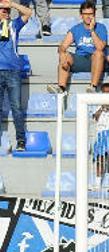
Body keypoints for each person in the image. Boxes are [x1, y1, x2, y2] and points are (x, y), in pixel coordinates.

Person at [47, 1, 108, 94]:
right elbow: (63, 46)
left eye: (90, 14)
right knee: (65, 54)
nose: (88, 16)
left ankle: (93, 87)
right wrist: (62, 53)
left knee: (98, 53)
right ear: (81, 15)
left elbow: (100, 47)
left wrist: (92, 30)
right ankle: (61, 88)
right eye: (85, 14)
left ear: (94, 14)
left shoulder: (101, 27)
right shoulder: (76, 29)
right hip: (80, 60)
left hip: (96, 61)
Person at [0, 1, 31, 152]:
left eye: (7, 10)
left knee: (17, 108)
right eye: (2, 9)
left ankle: (21, 141)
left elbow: (28, 13)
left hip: (13, 71)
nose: (5, 11)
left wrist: (12, 3)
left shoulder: (13, 25)